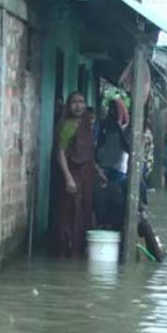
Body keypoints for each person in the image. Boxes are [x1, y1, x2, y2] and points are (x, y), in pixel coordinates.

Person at [53, 92, 106, 258]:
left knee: (84, 212)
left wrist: (98, 170)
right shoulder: (67, 126)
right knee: (69, 214)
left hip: (87, 176)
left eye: (81, 102)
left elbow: (89, 153)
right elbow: (60, 152)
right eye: (74, 102)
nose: (78, 105)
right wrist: (68, 177)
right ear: (69, 106)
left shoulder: (86, 125)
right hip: (73, 174)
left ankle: (78, 250)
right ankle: (66, 251)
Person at [95, 99, 131, 230]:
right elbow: (97, 146)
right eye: (110, 109)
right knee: (101, 201)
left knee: (117, 201)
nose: (111, 112)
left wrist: (119, 130)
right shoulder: (102, 126)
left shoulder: (126, 129)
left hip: (118, 170)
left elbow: (128, 148)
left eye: (114, 109)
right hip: (102, 169)